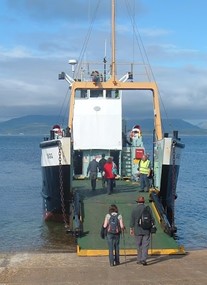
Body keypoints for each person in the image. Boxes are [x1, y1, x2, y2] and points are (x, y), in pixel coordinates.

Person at [129, 196, 155, 266]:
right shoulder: (148, 208)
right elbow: (152, 219)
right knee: (145, 245)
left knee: (138, 245)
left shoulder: (134, 209)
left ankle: (139, 259)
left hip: (137, 230)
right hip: (146, 230)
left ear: (137, 202)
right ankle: (144, 259)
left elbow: (132, 221)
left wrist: (131, 228)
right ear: (143, 202)